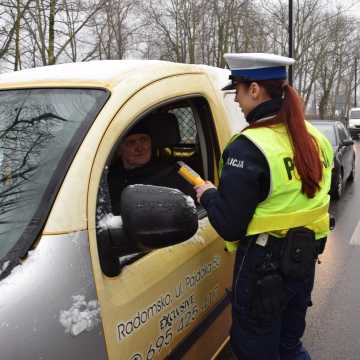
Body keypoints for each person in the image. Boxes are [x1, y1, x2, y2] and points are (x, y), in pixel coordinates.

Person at [194, 53, 333, 360]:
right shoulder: (315, 139)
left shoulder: (248, 147)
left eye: (239, 92)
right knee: (289, 347)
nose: (237, 102)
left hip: (262, 269)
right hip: (303, 261)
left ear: (255, 90)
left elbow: (230, 224)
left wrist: (207, 194)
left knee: (255, 351)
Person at [108, 120, 196, 215]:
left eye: (143, 140)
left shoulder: (171, 174)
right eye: (131, 142)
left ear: (151, 143)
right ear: (120, 149)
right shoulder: (107, 177)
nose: (140, 148)